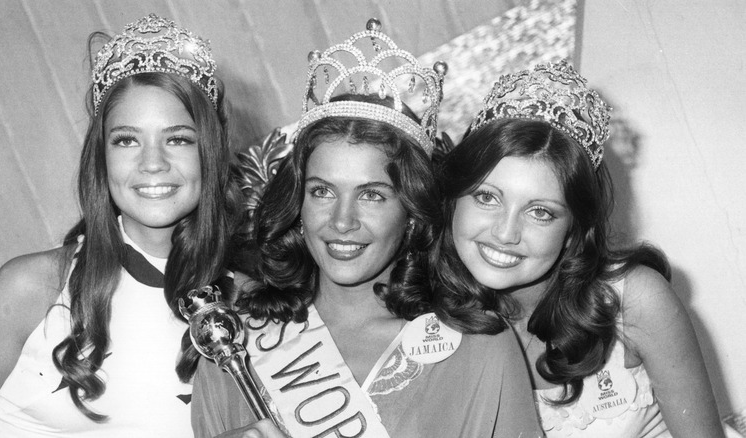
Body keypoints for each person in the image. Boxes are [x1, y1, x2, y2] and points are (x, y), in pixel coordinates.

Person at [191, 19, 543, 438]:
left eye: (372, 195)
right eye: (322, 191)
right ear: (298, 204)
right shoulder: (235, 344)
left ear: (411, 212)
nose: (342, 221)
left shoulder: (479, 345)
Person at [0, 14, 243, 437]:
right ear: (102, 156)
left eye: (178, 139)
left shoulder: (247, 307)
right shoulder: (30, 287)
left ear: (211, 151)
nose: (153, 163)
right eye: (127, 140)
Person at [433, 59, 725, 437]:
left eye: (540, 212)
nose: (506, 233)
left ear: (574, 227)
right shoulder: (424, 313)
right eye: (486, 197)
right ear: (454, 198)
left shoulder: (634, 300)